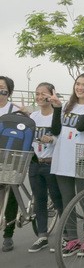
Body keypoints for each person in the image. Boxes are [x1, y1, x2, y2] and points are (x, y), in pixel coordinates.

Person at [48, 73, 84, 257]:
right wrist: (57, 109)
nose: (80, 87)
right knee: (67, 201)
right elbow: (56, 130)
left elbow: (81, 127)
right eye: (77, 84)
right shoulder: (66, 106)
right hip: (62, 157)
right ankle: (72, 239)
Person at [28, 82, 64, 253]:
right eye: (37, 93)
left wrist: (52, 140)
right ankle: (42, 235)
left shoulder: (58, 115)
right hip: (35, 164)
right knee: (39, 200)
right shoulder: (33, 116)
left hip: (52, 164)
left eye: (44, 93)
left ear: (52, 95)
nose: (40, 97)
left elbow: (63, 136)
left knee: (58, 199)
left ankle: (65, 235)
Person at [0, 76, 20, 252]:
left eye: (3, 89)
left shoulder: (14, 110)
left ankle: (8, 234)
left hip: (11, 158)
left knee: (11, 194)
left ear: (9, 92)